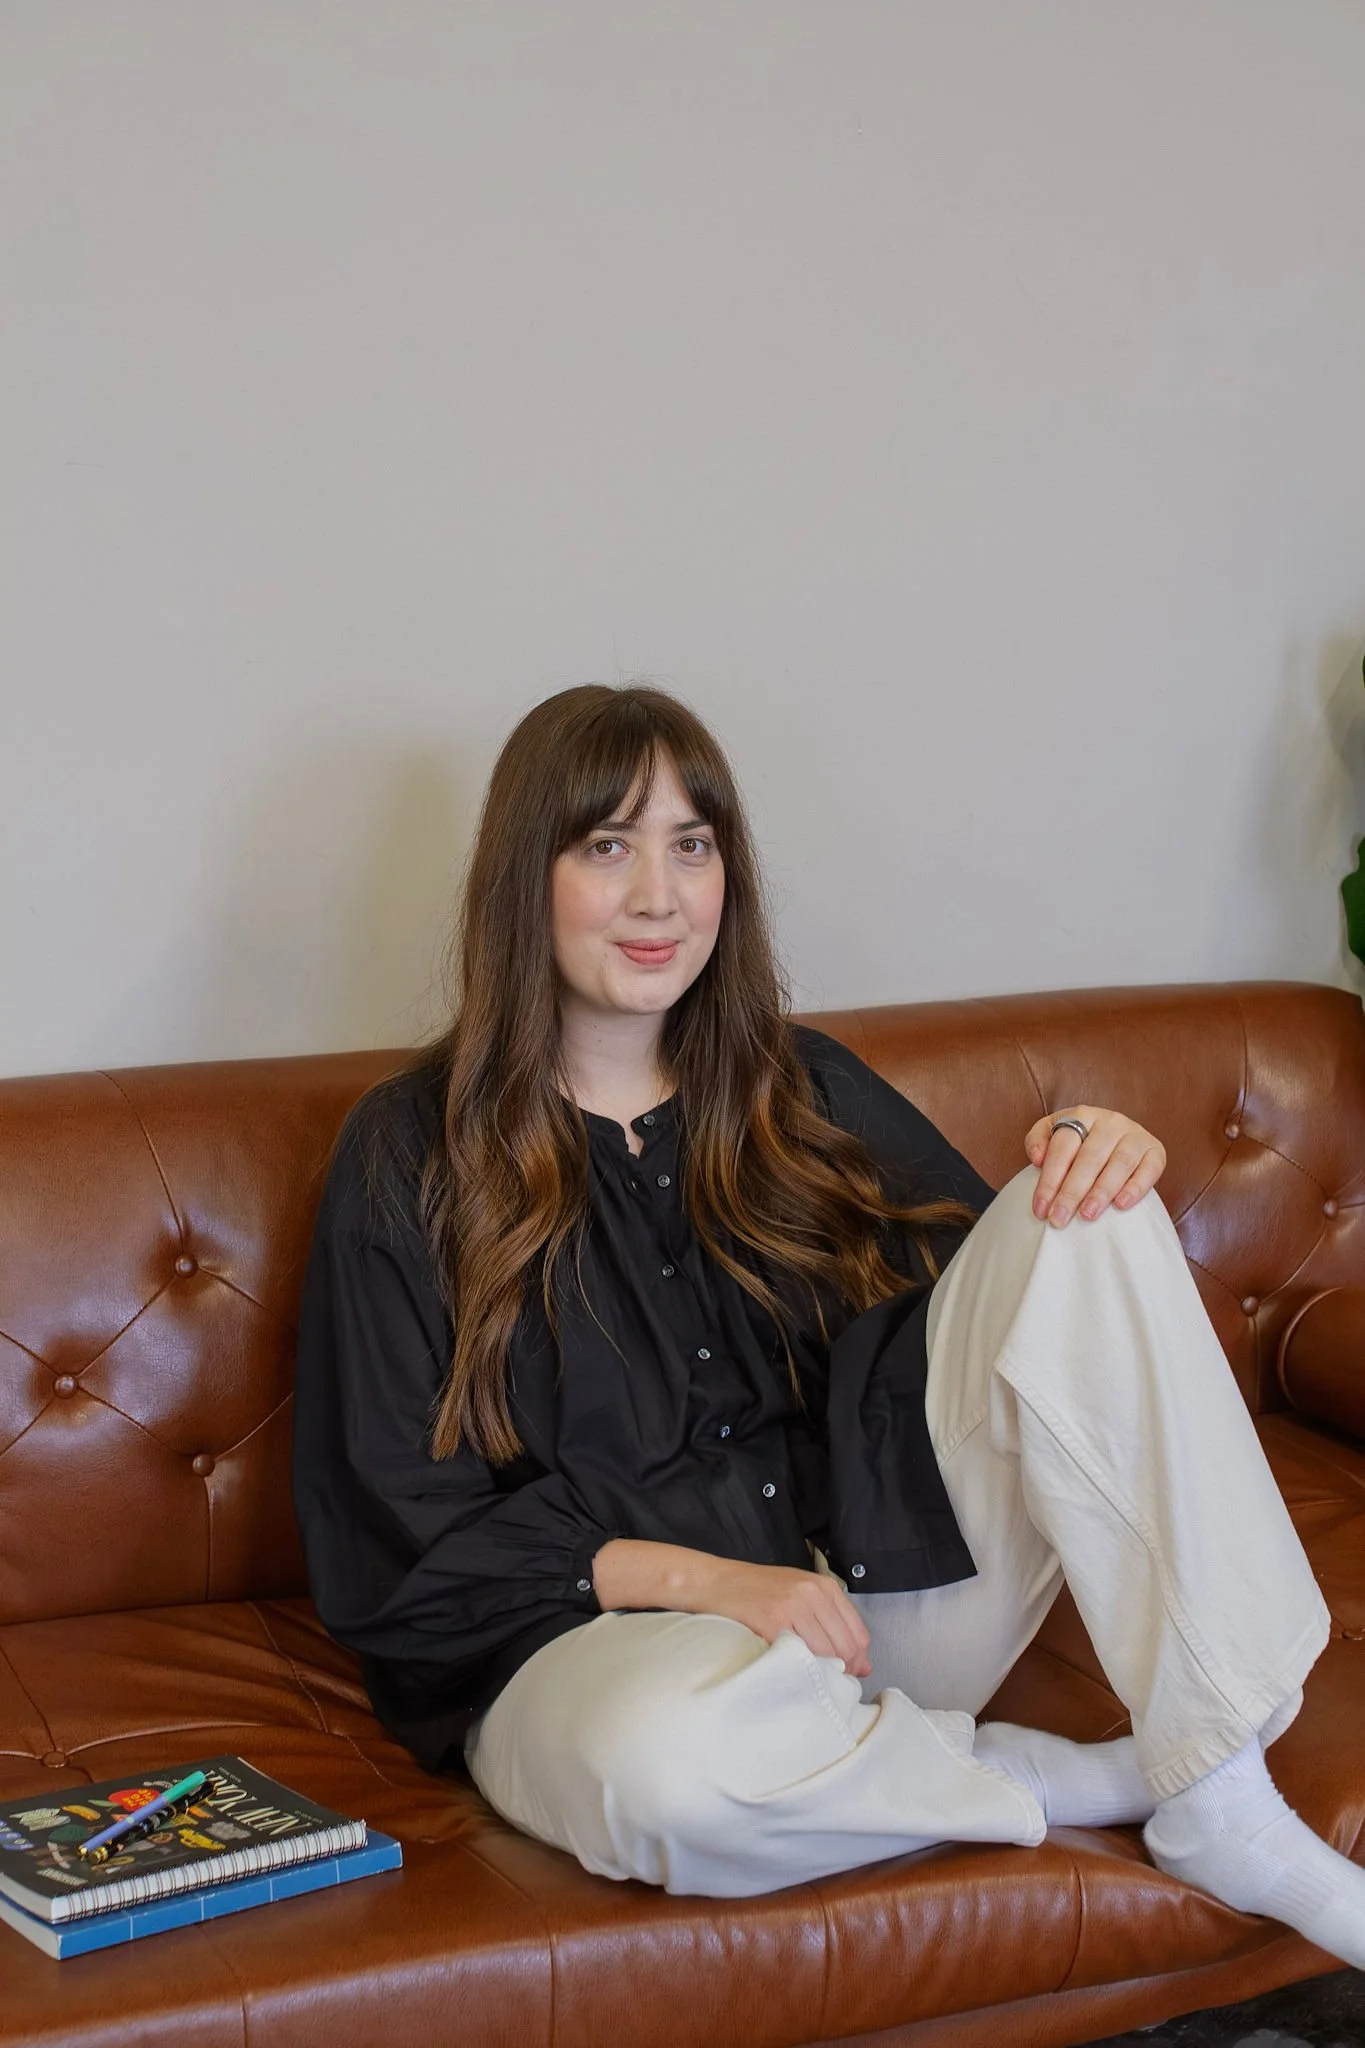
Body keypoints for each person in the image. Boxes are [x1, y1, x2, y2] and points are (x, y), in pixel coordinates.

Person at [291, 682, 1363, 1965]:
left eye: (693, 845)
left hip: (866, 1610)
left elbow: (1013, 1319)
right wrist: (712, 1581)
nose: (659, 896)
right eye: (608, 845)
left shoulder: (802, 1088)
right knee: (663, 1772)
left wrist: (1095, 1151)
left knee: (1088, 1210)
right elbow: (401, 1534)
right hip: (602, 1654)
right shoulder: (407, 1153)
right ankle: (1031, 1775)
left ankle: (1222, 1795)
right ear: (527, 876)